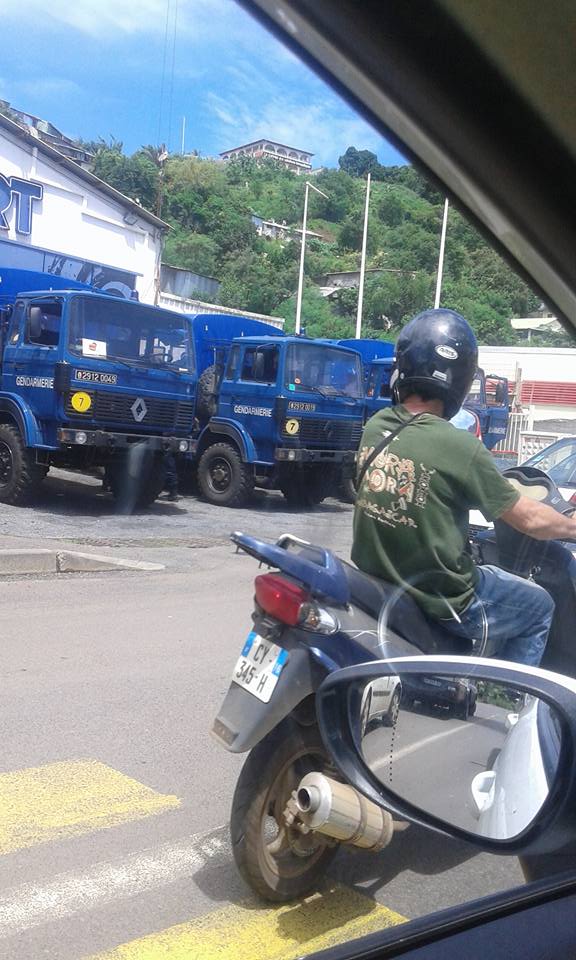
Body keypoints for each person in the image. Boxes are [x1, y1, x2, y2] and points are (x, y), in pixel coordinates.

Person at [351, 308, 576, 667]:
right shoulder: (460, 447)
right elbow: (531, 520)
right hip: (443, 599)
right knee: (539, 606)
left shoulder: (376, 425)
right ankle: (513, 704)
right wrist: (571, 525)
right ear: (459, 378)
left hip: (377, 578)